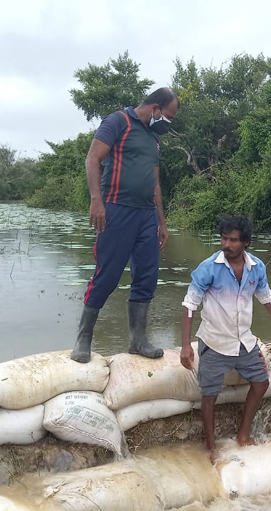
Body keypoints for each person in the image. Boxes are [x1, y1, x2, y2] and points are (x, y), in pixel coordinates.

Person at [70, 87, 179, 363]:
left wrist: (161, 222)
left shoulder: (154, 138)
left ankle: (138, 340)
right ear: (155, 108)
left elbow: (154, 183)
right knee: (107, 275)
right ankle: (84, 338)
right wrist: (97, 199)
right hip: (116, 209)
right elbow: (93, 159)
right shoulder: (118, 122)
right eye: (168, 116)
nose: (168, 123)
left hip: (146, 216)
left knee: (147, 276)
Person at [180, 215, 271, 464]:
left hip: (244, 342)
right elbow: (190, 305)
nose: (227, 244)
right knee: (209, 396)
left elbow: (268, 299)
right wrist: (185, 345)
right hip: (213, 342)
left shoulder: (256, 268)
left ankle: (243, 435)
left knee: (261, 382)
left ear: (245, 242)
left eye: (233, 240)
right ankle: (211, 447)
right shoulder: (209, 268)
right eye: (224, 238)